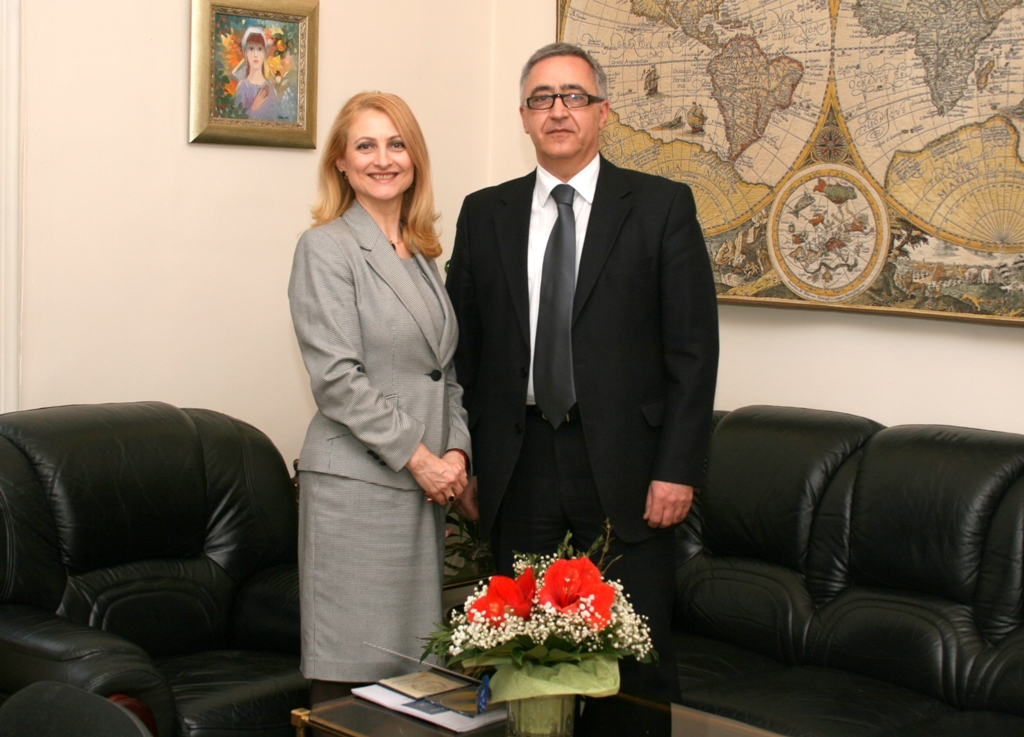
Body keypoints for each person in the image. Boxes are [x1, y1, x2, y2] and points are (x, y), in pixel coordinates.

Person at [445, 43, 719, 734]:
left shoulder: (660, 207)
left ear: (602, 112)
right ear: (524, 117)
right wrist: (468, 456)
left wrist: (676, 469)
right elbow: (463, 356)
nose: (558, 110)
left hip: (630, 468)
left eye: (573, 96)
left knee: (636, 657)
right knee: (523, 650)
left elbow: (693, 351)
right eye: (543, 98)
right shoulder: (485, 213)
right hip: (521, 460)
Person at [289, 92, 471, 706]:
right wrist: (423, 459)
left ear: (414, 158)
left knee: (413, 680)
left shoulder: (422, 255)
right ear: (340, 162)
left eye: (396, 144)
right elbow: (338, 378)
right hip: (357, 491)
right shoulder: (327, 247)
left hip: (421, 491)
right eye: (365, 145)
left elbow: (442, 374)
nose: (383, 159)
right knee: (352, 675)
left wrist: (457, 454)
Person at [233, 26, 278, 120]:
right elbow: (236, 122)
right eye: (251, 48)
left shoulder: (270, 89)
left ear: (265, 53)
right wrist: (254, 108)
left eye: (260, 49)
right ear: (245, 53)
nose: (256, 55)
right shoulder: (242, 87)